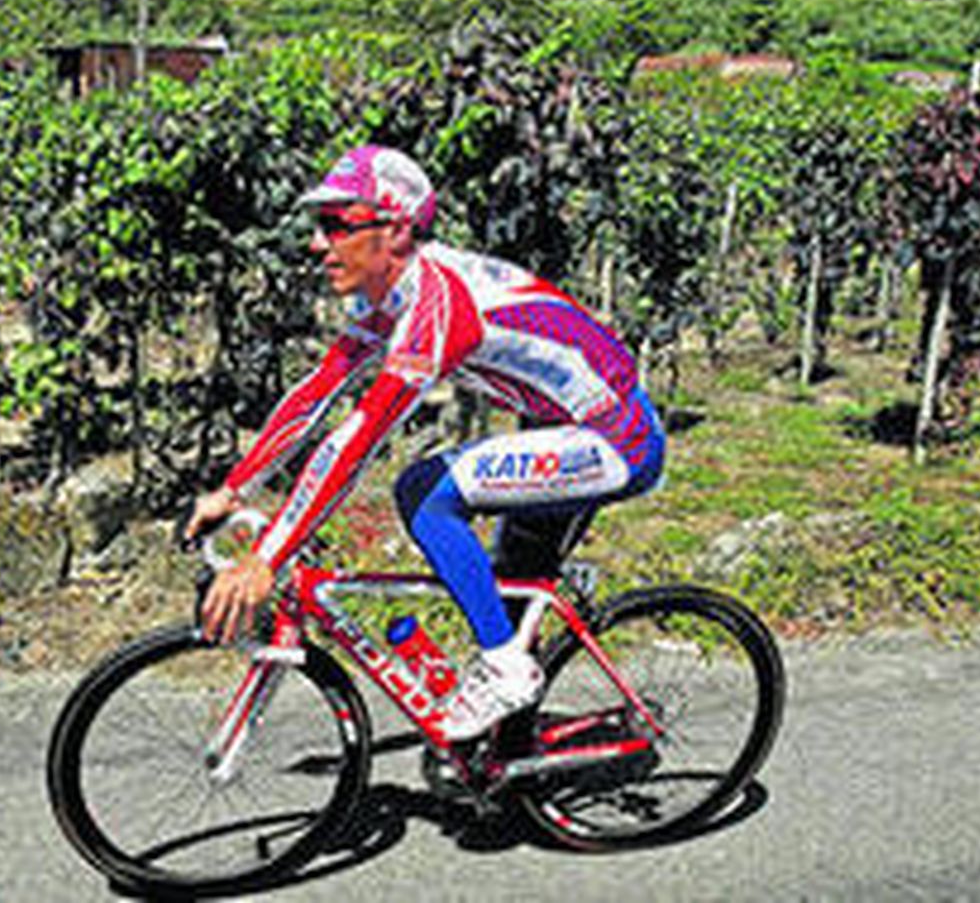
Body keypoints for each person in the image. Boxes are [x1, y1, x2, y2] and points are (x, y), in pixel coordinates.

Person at [187, 145, 665, 741]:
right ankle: (510, 759)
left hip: (616, 437)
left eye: (337, 225)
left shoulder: (440, 306)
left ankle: (507, 669)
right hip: (558, 427)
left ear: (394, 229)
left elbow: (360, 436)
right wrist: (234, 489)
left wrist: (269, 557)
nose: (318, 243)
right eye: (320, 226)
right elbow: (318, 392)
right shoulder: (391, 295)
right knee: (509, 594)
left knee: (422, 492)